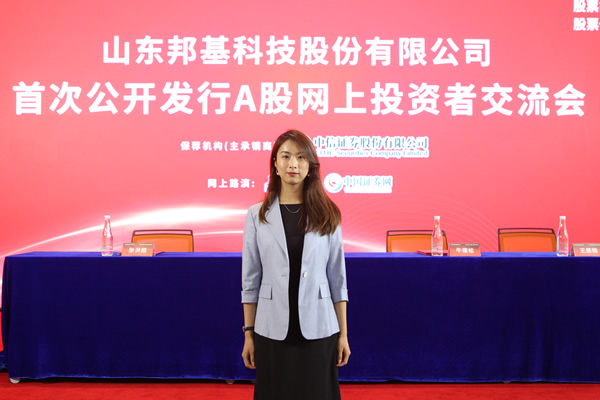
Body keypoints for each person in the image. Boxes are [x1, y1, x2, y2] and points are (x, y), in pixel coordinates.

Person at [241, 129, 350, 400]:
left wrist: (343, 335)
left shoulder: (328, 213)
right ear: (275, 164)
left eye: (301, 157)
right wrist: (248, 334)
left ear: (310, 166)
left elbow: (338, 280)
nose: (293, 164)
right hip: (271, 327)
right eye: (286, 156)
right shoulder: (256, 215)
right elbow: (250, 280)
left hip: (319, 326)